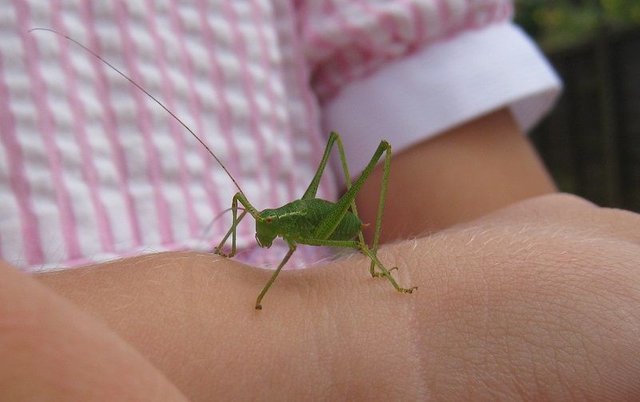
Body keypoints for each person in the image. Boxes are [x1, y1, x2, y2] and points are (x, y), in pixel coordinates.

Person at [2, 1, 639, 400]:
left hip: (337, 231)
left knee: (359, 170)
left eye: (251, 225)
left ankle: (378, 256)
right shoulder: (266, 222)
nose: (256, 228)